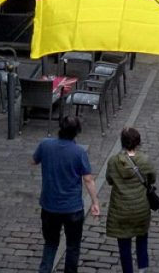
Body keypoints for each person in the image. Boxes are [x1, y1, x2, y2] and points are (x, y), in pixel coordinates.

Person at [32, 115, 101, 273]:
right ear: (76, 132)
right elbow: (88, 180)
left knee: (50, 243)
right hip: (72, 208)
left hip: (49, 206)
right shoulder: (79, 152)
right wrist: (95, 202)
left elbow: (33, 161)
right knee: (72, 246)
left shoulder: (45, 145)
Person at [106, 127, 156, 273]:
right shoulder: (144, 160)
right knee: (142, 238)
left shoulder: (113, 161)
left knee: (124, 244)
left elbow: (109, 180)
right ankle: (142, 268)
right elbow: (152, 178)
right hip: (140, 208)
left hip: (120, 210)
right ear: (137, 142)